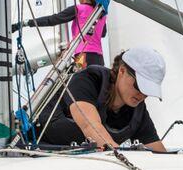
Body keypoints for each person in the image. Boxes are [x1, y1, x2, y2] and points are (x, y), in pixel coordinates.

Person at [35, 47, 167, 151]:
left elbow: (157, 150)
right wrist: (120, 155)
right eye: (139, 86)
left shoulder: (136, 108)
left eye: (148, 91)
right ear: (122, 71)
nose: (142, 95)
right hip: (37, 154)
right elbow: (90, 126)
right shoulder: (88, 80)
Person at [12, 0, 109, 68]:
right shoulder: (101, 15)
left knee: (81, 86)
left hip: (83, 56)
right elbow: (102, 33)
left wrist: (26, 23)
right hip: (99, 58)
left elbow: (52, 20)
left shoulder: (79, 9)